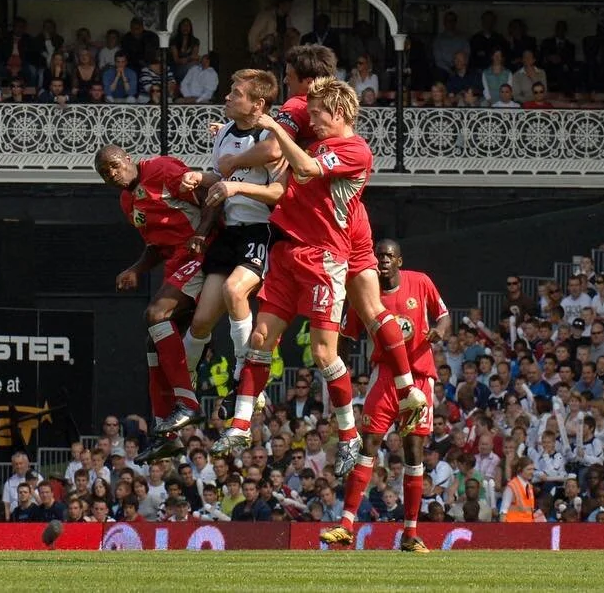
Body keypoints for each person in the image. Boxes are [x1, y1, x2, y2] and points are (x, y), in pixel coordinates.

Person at [215, 76, 425, 476]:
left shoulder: (355, 150)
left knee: (325, 353)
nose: (310, 122)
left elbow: (307, 168)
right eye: (308, 114)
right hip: (287, 251)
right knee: (260, 338)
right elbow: (285, 173)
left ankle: (349, 435)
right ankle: (239, 426)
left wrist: (274, 127)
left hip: (324, 257)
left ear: (340, 113)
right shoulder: (314, 143)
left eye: (317, 114)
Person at [162, 68, 287, 435]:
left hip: (259, 231)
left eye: (236, 94)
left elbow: (278, 193)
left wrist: (236, 190)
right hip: (229, 232)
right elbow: (224, 179)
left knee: (235, 290)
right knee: (201, 321)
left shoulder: (271, 139)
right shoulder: (225, 134)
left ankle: (243, 374)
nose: (228, 97)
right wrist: (201, 178)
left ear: (258, 104)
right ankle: (182, 391)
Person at [321, 239, 451, 554]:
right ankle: (346, 526)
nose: (383, 260)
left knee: (413, 452)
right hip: (384, 377)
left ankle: (410, 534)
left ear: (399, 261)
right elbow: (346, 335)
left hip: (419, 377)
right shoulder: (364, 292)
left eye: (389, 256)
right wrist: (340, 368)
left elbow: (444, 316)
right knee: (369, 444)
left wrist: (441, 331)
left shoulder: (420, 282)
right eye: (378, 255)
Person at [95, 144, 206, 463]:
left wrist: (203, 235)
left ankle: (188, 403)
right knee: (152, 341)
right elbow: (156, 247)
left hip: (201, 255)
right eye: (104, 173)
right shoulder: (127, 201)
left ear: (128, 159)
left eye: (114, 165)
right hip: (177, 264)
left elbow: (210, 197)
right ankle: (166, 435)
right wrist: (136, 269)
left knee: (156, 314)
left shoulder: (162, 169)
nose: (112, 174)